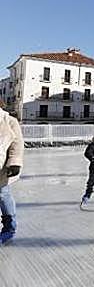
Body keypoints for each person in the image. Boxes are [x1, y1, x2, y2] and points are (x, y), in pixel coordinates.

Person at [0, 104, 24, 244]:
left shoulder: (9, 121)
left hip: (1, 169)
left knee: (3, 195)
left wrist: (14, 162)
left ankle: (9, 227)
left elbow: (17, 144)